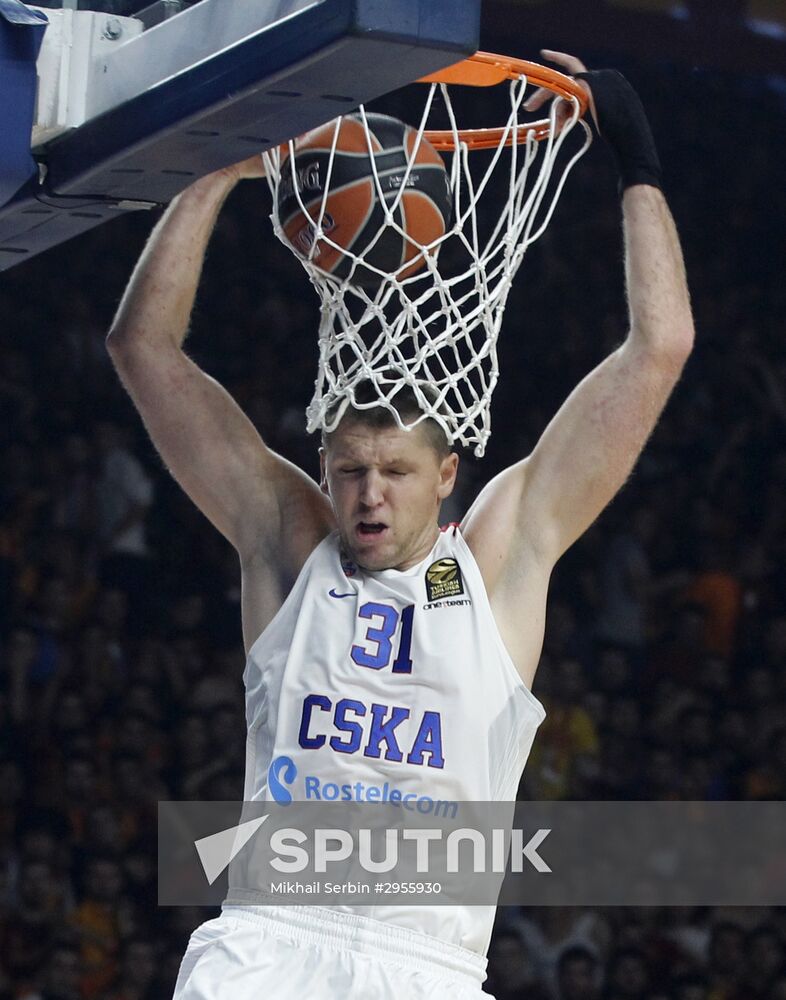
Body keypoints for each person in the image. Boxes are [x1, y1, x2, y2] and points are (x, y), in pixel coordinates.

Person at [105, 50, 694, 1000]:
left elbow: (659, 349)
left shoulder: (501, 558)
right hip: (268, 940)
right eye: (348, 472)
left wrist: (639, 165)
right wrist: (214, 171)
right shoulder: (292, 544)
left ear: (447, 476)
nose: (368, 495)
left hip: (426, 967)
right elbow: (142, 349)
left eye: (394, 473)